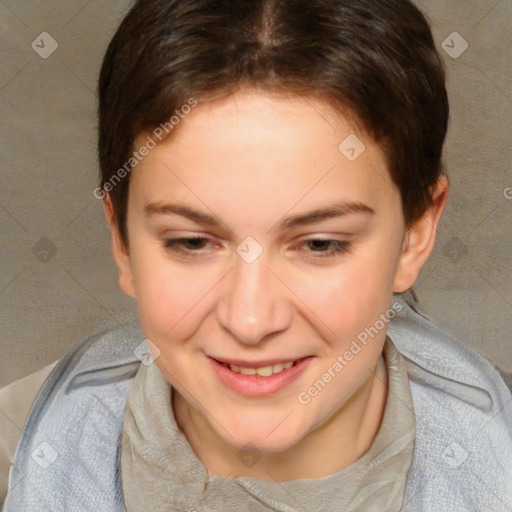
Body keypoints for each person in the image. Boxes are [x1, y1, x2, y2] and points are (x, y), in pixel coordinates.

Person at [1, 0, 511, 510]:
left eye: (319, 244)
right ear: (122, 241)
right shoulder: (18, 451)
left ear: (415, 232)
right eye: (192, 242)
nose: (249, 320)